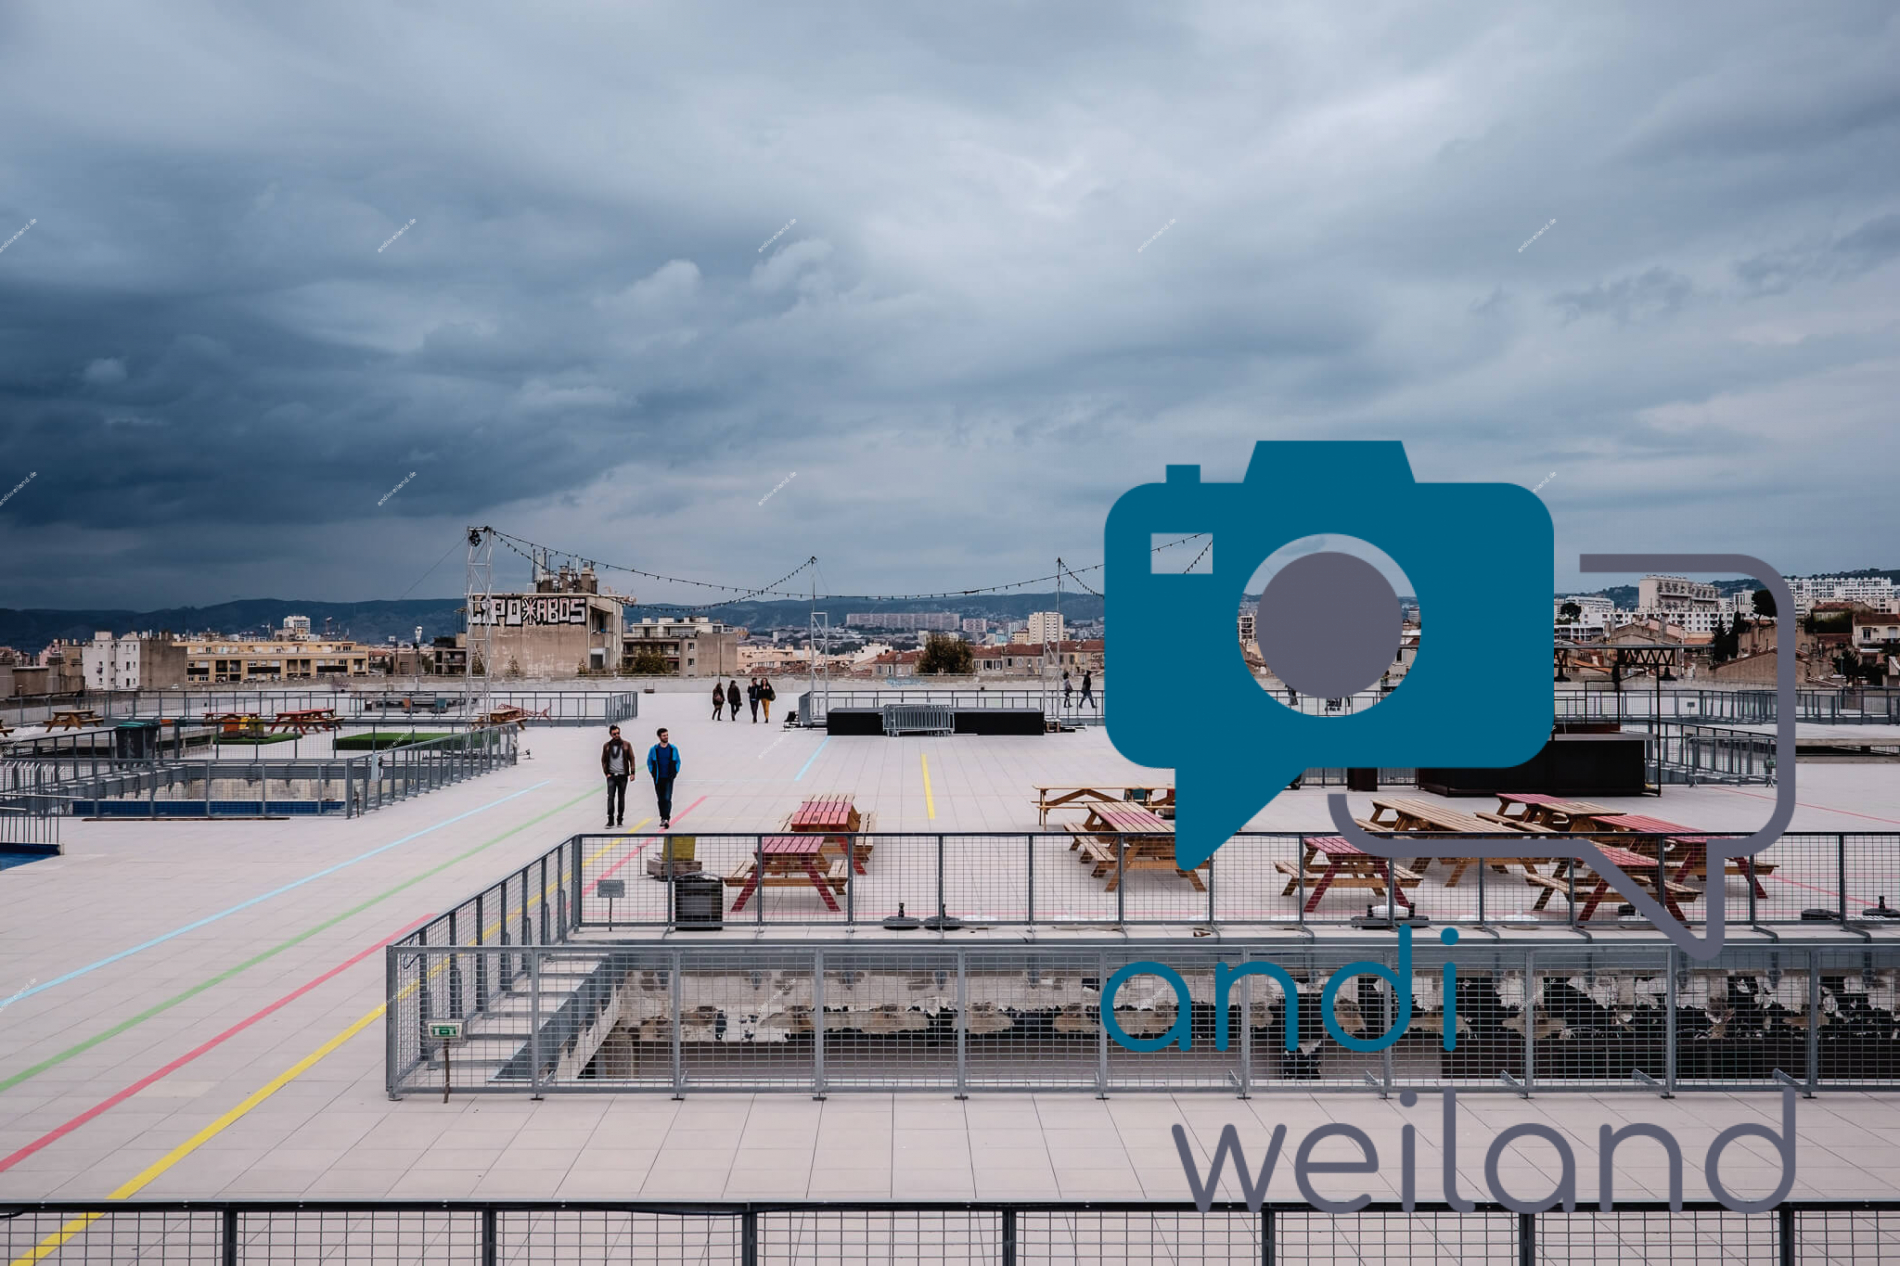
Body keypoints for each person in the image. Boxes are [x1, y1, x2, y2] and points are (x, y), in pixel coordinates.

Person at [599, 723, 637, 828]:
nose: (617, 735)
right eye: (614, 734)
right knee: (610, 797)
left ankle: (620, 819)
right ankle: (610, 819)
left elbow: (632, 758)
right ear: (611, 735)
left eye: (618, 733)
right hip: (611, 775)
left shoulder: (626, 744)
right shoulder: (607, 746)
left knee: (621, 797)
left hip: (622, 776)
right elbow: (603, 760)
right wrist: (606, 773)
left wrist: (632, 772)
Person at [646, 727, 681, 828]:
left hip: (669, 778)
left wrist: (675, 772)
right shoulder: (654, 749)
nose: (666, 737)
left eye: (667, 735)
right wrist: (652, 772)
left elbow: (678, 761)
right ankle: (662, 817)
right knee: (660, 799)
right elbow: (649, 761)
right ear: (659, 737)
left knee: (667, 798)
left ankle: (666, 818)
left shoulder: (673, 749)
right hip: (658, 778)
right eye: (664, 735)